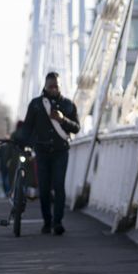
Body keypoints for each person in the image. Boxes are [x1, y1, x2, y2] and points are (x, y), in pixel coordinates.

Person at [19, 72, 80, 235]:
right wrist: (24, 145)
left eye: (56, 86)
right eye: (51, 86)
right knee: (44, 189)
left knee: (59, 186)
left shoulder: (68, 105)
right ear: (45, 86)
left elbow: (76, 128)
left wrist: (62, 120)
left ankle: (57, 222)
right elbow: (27, 128)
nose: (53, 89)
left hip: (61, 151)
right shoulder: (36, 105)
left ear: (60, 86)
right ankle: (47, 221)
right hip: (42, 152)